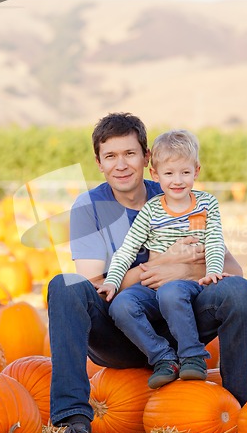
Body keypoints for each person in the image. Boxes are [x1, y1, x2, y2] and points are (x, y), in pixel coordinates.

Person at [48, 112, 247, 433]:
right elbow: (96, 285)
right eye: (110, 156)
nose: (121, 165)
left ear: (147, 159)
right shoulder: (89, 206)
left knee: (238, 291)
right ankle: (77, 425)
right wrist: (162, 265)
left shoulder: (177, 194)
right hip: (120, 331)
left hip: (181, 326)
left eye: (129, 153)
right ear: (98, 163)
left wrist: (184, 266)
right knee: (64, 286)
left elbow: (234, 270)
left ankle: (242, 409)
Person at [95, 129, 231, 389]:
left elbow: (215, 241)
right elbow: (127, 249)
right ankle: (163, 357)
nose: (177, 180)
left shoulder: (206, 204)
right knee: (121, 306)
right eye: (169, 174)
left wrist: (212, 270)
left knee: (171, 292)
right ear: (155, 175)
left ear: (196, 170)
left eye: (185, 173)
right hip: (152, 286)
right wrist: (112, 281)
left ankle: (193, 356)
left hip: (187, 282)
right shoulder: (151, 210)